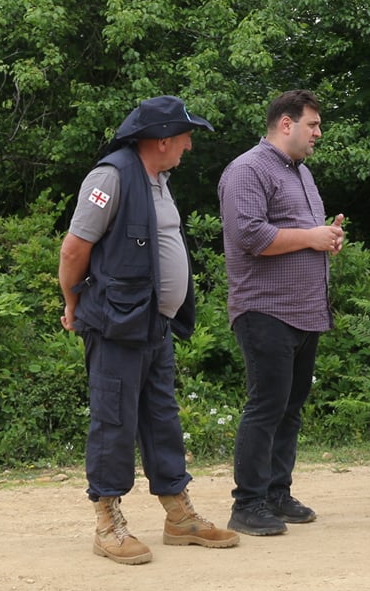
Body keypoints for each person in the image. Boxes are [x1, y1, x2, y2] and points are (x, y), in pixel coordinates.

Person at [58, 96, 240, 565]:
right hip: (115, 324)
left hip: (153, 324)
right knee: (113, 420)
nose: (189, 145)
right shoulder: (111, 177)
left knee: (161, 418)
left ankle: (178, 515)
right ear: (162, 140)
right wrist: (72, 304)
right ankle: (107, 522)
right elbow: (74, 249)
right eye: (185, 136)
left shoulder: (158, 179)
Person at [218, 89, 346, 536]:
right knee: (267, 405)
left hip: (305, 312)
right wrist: (311, 237)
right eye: (313, 124)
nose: (318, 133)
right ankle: (247, 503)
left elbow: (301, 235)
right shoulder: (247, 169)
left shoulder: (302, 173)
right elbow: (250, 235)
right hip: (265, 309)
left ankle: (276, 493)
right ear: (286, 124)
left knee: (290, 407)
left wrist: (326, 237)